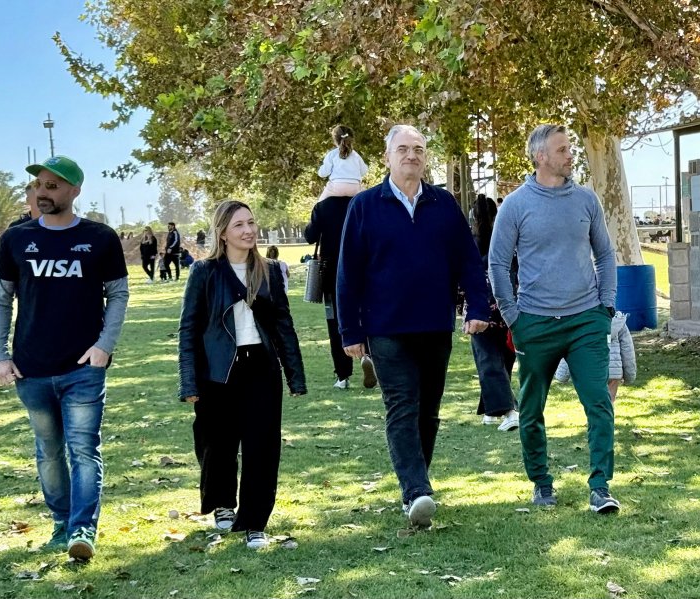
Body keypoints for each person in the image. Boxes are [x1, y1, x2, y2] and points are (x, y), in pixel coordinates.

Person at [337, 124, 490, 528]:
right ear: (387, 157)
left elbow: (468, 261)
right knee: (402, 407)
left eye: (418, 149)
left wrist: (478, 306)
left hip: (435, 326)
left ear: (425, 157)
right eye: (402, 149)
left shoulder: (444, 204)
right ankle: (417, 492)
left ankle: (416, 482)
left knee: (428, 412)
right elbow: (347, 273)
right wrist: (350, 332)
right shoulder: (365, 206)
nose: (411, 156)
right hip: (386, 330)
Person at [0, 155, 129, 560]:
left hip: (84, 368)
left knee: (84, 449)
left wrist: (104, 345)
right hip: (30, 368)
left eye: (52, 186)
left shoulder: (101, 238)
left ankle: (82, 529)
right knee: (48, 450)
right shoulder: (14, 239)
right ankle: (60, 522)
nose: (42, 193)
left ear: (74, 191)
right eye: (37, 186)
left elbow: (117, 294)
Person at [488, 124, 619, 513]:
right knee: (530, 409)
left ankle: (600, 487)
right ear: (540, 157)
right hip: (535, 323)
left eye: (569, 149)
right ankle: (542, 483)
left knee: (599, 403)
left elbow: (606, 255)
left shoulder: (586, 201)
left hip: (586, 322)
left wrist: (605, 307)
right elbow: (497, 264)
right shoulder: (515, 205)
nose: (570, 155)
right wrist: (514, 317)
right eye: (562, 150)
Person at [178, 200, 306, 550]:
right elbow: (188, 328)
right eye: (239, 225)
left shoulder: (270, 270)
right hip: (217, 371)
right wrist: (188, 382)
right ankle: (222, 502)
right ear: (222, 232)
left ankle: (254, 523)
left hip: (260, 368)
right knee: (217, 443)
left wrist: (295, 375)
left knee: (262, 448)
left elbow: (283, 324)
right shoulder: (205, 272)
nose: (249, 230)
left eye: (251, 223)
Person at [304, 194, 378, 390]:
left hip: (332, 273)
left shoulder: (323, 207)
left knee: (335, 321)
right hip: (363, 270)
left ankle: (343, 375)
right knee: (366, 314)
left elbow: (310, 236)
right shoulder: (364, 202)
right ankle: (368, 354)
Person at [469, 196, 519, 432]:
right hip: (507, 308)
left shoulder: (471, 244)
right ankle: (492, 410)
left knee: (488, 360)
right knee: (502, 359)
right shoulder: (508, 242)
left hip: (481, 310)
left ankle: (509, 410)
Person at [554, 311, 637, 404]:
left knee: (593, 405)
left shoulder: (581, 320)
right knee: (609, 403)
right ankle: (608, 417)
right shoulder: (618, 321)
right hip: (613, 372)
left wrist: (562, 374)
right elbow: (627, 350)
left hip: (589, 370)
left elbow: (570, 346)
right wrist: (630, 376)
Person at [317, 125, 369, 201]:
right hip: (354, 189)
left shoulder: (332, 154)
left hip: (336, 188)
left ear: (335, 140)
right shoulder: (356, 155)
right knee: (366, 200)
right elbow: (364, 171)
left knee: (319, 205)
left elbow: (323, 173)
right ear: (351, 139)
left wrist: (320, 170)